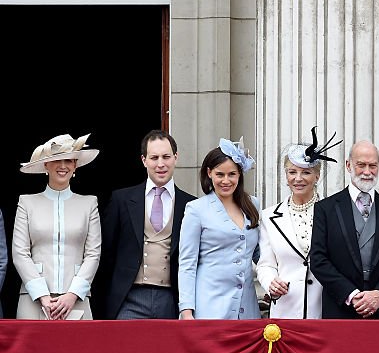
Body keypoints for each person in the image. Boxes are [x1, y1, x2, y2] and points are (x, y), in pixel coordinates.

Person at [98, 130, 197, 319]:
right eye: (154, 157)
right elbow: (106, 254)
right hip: (128, 298)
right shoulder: (122, 200)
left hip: (172, 299)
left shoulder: (191, 205)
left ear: (176, 158)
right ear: (144, 160)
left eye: (166, 157)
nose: (161, 164)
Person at [309, 140, 379, 319]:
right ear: (348, 165)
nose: (367, 172)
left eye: (372, 166)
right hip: (340, 309)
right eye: (361, 165)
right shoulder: (326, 209)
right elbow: (318, 259)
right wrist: (351, 294)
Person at [12, 133, 101, 320]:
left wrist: (72, 294)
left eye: (69, 160)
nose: (63, 166)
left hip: (77, 299)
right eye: (56, 160)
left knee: (79, 350)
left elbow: (93, 253)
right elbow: (20, 253)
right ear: (46, 165)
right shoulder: (27, 203)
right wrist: (42, 294)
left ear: (75, 165)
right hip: (33, 299)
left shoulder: (89, 204)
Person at [257, 130, 341, 319]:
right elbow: (265, 264)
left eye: (306, 172)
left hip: (325, 310)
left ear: (317, 176)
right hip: (286, 308)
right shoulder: (269, 216)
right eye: (292, 172)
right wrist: (271, 282)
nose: (298, 178)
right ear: (286, 175)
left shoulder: (334, 214)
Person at [178, 139, 260, 320]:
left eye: (232, 174)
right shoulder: (196, 209)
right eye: (220, 174)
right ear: (209, 173)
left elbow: (260, 254)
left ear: (240, 174)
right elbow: (187, 263)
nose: (226, 180)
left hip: (247, 309)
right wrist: (186, 309)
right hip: (209, 307)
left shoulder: (253, 205)